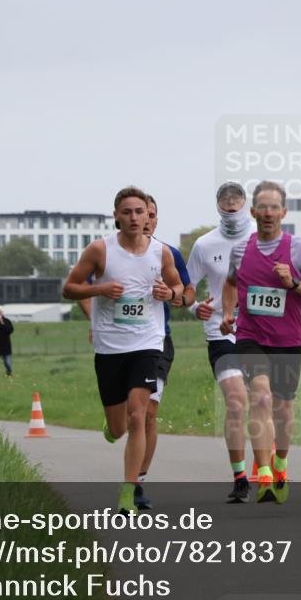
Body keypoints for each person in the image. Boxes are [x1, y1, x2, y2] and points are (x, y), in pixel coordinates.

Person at [62, 185, 183, 515]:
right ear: (116, 215)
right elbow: (69, 288)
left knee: (138, 414)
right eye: (127, 212)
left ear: (148, 215)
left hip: (147, 343)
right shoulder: (100, 250)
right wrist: (100, 288)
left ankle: (129, 491)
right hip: (110, 347)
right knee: (118, 427)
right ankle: (111, 428)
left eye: (139, 211)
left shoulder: (162, 253)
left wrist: (168, 294)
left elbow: (180, 291)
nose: (134, 217)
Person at [221, 180, 301, 504]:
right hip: (250, 336)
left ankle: (280, 462)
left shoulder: (299, 249)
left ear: (283, 212)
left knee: (283, 408)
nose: (268, 213)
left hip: (286, 339)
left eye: (274, 207)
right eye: (262, 207)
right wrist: (228, 313)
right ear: (252, 211)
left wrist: (294, 283)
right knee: (262, 399)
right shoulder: (240, 250)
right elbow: (230, 284)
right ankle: (264, 474)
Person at [187, 182, 257, 503]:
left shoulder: (262, 239)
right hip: (221, 332)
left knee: (265, 403)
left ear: (245, 203)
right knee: (236, 401)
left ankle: (270, 470)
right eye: (225, 200)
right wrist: (193, 307)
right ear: (217, 205)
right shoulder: (205, 245)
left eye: (236, 199)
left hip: (259, 332)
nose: (230, 205)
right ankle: (241, 477)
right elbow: (185, 287)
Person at [129, 195, 194, 510]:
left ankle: (138, 482)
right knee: (128, 417)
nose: (146, 219)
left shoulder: (168, 253)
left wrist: (172, 294)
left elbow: (188, 293)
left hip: (157, 341)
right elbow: (88, 287)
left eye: (151, 214)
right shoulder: (110, 252)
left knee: (149, 413)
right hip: (121, 343)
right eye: (141, 213)